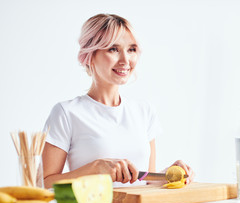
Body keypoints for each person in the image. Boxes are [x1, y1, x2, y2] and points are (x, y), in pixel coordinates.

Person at [42, 14, 194, 189]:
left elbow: (147, 181)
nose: (125, 60)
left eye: (131, 49)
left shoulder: (144, 111)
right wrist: (94, 168)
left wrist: (170, 174)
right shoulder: (66, 113)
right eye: (113, 49)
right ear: (90, 55)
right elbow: (44, 185)